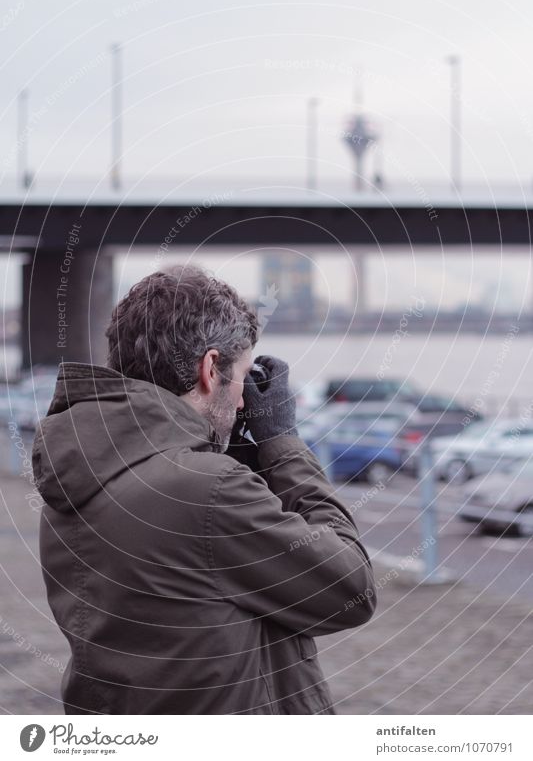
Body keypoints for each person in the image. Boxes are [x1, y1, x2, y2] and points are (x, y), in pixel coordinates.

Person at [33, 264, 376, 715]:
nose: (243, 400)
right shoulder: (209, 490)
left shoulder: (81, 475)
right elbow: (351, 591)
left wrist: (223, 447)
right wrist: (283, 445)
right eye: (243, 376)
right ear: (210, 368)